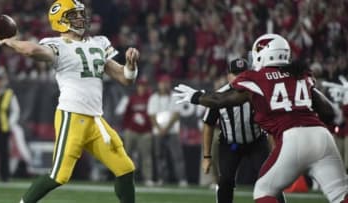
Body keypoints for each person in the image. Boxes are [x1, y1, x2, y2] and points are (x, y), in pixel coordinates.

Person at [173, 33, 348, 203]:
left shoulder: (257, 78)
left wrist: (196, 96)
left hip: (291, 136)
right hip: (321, 135)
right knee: (340, 193)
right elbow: (329, 113)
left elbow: (221, 100)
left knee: (264, 189)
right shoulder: (300, 73)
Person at [0, 0, 138, 202]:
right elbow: (33, 51)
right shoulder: (57, 45)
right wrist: (10, 42)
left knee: (125, 168)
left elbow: (125, 78)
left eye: (81, 14)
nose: (80, 18)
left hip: (96, 120)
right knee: (59, 176)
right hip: (72, 116)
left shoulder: (98, 42)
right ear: (60, 21)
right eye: (73, 15)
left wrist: (130, 65)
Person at [201, 58, 286, 203]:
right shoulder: (219, 96)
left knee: (270, 178)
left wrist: (275, 149)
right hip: (231, 144)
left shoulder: (259, 93)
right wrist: (207, 156)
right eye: (235, 74)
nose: (239, 77)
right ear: (228, 76)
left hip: (256, 143)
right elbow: (208, 124)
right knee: (226, 180)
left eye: (243, 73)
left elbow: (271, 124)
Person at [147, 74, 188, 187]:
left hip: (172, 131)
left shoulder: (174, 97)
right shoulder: (154, 97)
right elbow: (152, 116)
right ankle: (161, 178)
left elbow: (176, 115)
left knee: (177, 156)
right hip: (158, 132)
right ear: (159, 84)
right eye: (162, 83)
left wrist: (166, 128)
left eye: (166, 83)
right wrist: (160, 129)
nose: (164, 85)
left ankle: (182, 179)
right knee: (159, 156)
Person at [115, 76, 154, 186]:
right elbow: (125, 115)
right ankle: (125, 177)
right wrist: (127, 127)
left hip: (145, 131)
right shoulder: (132, 98)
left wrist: (146, 121)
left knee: (146, 156)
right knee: (127, 154)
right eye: (141, 85)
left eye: (144, 86)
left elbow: (153, 114)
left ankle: (148, 178)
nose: (142, 88)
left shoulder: (150, 98)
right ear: (138, 87)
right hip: (132, 130)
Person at [0, 67, 20, 182]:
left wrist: (10, 124)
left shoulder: (8, 94)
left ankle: (4, 176)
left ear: (2, 81)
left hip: (3, 128)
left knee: (3, 153)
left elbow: (15, 111)